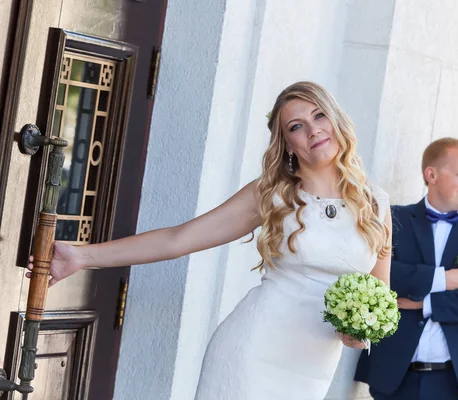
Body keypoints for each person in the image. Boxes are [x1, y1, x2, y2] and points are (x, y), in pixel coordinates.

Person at [29, 81, 392, 399]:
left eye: (319, 116)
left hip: (312, 369)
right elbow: (177, 239)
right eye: (297, 126)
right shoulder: (271, 196)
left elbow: (380, 297)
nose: (313, 130)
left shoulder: (375, 203)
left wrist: (359, 336)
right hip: (253, 352)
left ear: (336, 120)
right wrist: (82, 256)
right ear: (287, 145)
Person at [355, 138, 458, 400]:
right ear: (432, 174)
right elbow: (381, 275)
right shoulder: (393, 219)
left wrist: (424, 304)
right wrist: (443, 279)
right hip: (396, 377)